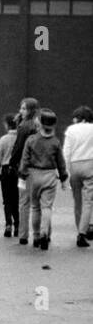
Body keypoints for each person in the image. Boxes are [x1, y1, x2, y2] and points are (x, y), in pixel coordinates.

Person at [19, 109, 67, 251]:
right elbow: (61, 163)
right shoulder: (55, 142)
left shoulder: (31, 140)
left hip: (34, 175)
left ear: (40, 122)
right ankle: (45, 233)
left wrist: (22, 176)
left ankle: (36, 237)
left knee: (35, 207)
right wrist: (64, 178)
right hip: (50, 175)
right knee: (47, 207)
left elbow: (25, 160)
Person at [6, 98, 41, 245]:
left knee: (24, 202)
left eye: (24, 109)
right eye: (21, 108)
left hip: (25, 167)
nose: (21, 111)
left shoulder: (24, 126)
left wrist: (12, 163)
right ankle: (40, 235)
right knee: (38, 203)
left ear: (30, 110)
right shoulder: (39, 125)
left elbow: (18, 148)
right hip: (40, 167)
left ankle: (24, 235)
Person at [62, 106, 93, 248]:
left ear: (79, 118)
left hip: (74, 165)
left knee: (77, 200)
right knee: (88, 201)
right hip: (90, 165)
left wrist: (65, 171)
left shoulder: (70, 130)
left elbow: (66, 152)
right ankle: (82, 232)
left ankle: (79, 227)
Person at [0, 114, 20, 238]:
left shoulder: (3, 139)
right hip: (19, 171)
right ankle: (18, 225)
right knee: (17, 199)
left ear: (7, 125)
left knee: (7, 200)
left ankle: (8, 224)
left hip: (6, 171)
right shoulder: (21, 138)